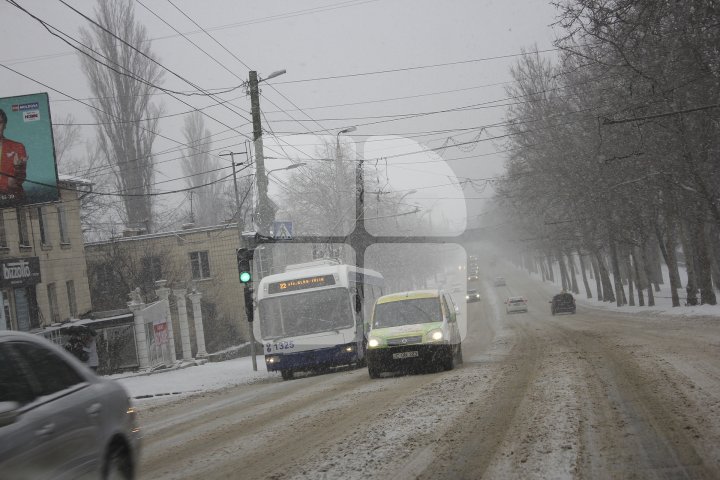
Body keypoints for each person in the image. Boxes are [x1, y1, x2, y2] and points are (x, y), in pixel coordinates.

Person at [0, 108, 28, 199]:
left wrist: (18, 168)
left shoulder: (17, 147)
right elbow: (9, 182)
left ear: (5, 125)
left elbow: (17, 181)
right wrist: (6, 181)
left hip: (13, 199)